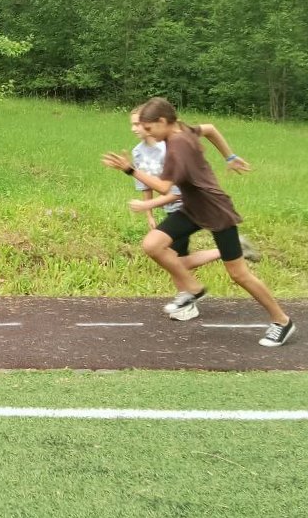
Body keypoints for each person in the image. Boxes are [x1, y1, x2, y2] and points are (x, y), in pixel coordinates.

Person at [103, 97, 295, 347]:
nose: (147, 133)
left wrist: (130, 169)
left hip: (215, 211)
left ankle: (282, 321)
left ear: (162, 121)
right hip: (192, 209)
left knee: (239, 274)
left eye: (149, 128)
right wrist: (230, 157)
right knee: (152, 244)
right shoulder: (183, 129)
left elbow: (164, 187)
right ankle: (193, 289)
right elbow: (211, 129)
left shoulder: (177, 147)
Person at [128, 106, 260, 269]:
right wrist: (149, 214)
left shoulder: (172, 144)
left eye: (138, 124)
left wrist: (230, 157)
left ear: (156, 122)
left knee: (175, 261)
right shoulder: (138, 152)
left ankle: (231, 252)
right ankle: (233, 250)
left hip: (187, 206)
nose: (134, 128)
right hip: (172, 208)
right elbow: (145, 185)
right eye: (133, 124)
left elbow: (173, 191)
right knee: (177, 261)